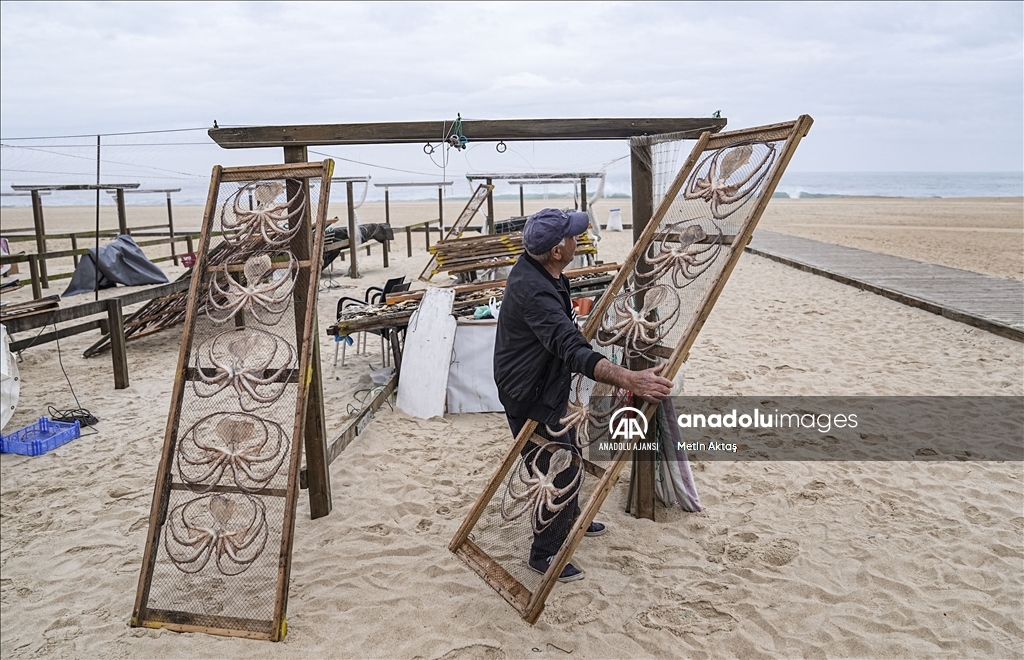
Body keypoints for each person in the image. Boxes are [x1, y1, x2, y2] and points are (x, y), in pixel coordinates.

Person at [493, 208, 673, 582]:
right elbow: (571, 349)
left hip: (547, 381)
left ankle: (568, 518)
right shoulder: (535, 290)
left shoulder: (545, 270)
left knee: (570, 445)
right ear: (557, 250)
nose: (578, 240)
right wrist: (630, 379)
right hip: (528, 392)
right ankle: (543, 555)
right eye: (573, 236)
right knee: (560, 469)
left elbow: (567, 338)